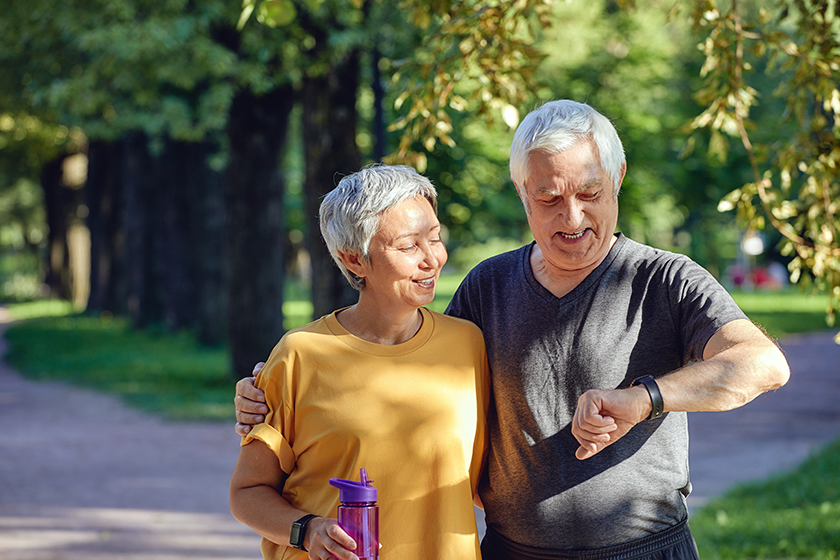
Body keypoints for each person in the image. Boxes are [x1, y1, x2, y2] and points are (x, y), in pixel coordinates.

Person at [235, 101, 790, 559]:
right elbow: (406, 357)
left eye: (589, 193)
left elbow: (763, 365)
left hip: (643, 549)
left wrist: (647, 397)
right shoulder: (485, 287)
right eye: (548, 198)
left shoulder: (663, 279)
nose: (571, 218)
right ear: (523, 193)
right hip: (510, 552)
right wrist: (271, 389)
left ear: (618, 177)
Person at [229, 164, 489, 560]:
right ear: (354, 260)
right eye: (407, 246)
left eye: (435, 238)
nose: (432, 259)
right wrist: (306, 530)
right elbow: (247, 493)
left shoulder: (467, 345)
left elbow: (487, 480)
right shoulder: (300, 354)